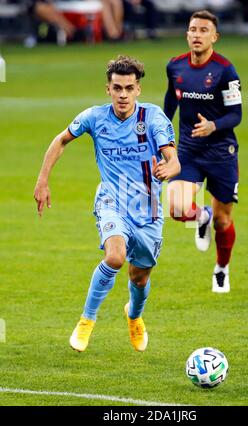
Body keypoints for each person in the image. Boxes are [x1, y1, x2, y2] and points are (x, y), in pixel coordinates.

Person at [34, 55, 180, 353]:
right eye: (117, 88)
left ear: (138, 89)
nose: (123, 94)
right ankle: (86, 321)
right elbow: (60, 140)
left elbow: (173, 158)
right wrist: (42, 180)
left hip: (147, 209)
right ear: (108, 89)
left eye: (129, 88)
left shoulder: (152, 118)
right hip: (111, 200)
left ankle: (134, 316)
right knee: (115, 257)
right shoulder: (94, 117)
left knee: (139, 277)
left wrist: (170, 168)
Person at [164, 10, 242, 293]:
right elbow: (169, 106)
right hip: (189, 151)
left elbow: (236, 115)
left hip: (222, 153)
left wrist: (213, 125)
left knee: (224, 221)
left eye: (203, 30)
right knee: (177, 208)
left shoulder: (225, 70)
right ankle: (201, 216)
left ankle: (221, 268)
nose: (197, 34)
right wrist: (161, 139)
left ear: (214, 37)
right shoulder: (175, 67)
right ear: (187, 34)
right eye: (193, 29)